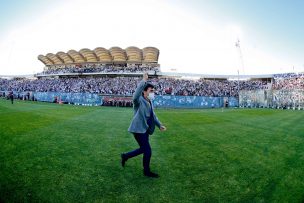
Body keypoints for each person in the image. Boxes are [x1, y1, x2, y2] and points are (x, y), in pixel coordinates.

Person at [121, 73, 166, 178]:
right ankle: (146, 171)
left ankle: (125, 156)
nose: (152, 93)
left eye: (153, 91)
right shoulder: (138, 101)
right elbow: (135, 96)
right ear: (144, 92)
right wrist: (143, 81)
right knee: (148, 151)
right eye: (151, 91)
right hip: (137, 129)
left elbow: (153, 116)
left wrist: (159, 125)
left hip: (144, 130)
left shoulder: (149, 101)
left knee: (143, 149)